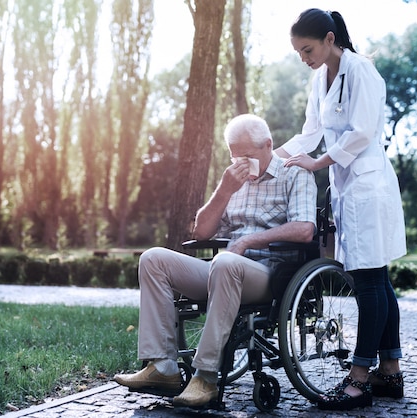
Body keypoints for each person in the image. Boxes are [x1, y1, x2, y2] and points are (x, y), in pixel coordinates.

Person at [114, 114, 317, 407]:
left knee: (225, 263)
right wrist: (223, 191)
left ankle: (205, 377)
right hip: (225, 270)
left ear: (268, 145)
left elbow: (304, 228)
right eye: (236, 156)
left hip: (272, 274)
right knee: (153, 259)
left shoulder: (294, 173)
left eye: (248, 155)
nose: (242, 162)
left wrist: (248, 240)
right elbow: (202, 231)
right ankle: (162, 367)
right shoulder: (232, 181)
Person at [274, 8, 407, 411]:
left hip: (368, 185)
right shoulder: (320, 79)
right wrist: (273, 158)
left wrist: (317, 163)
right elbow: (311, 132)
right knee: (378, 279)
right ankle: (391, 373)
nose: (304, 58)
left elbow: (362, 131)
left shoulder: (361, 71)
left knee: (368, 281)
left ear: (330, 39)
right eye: (298, 52)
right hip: (348, 188)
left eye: (307, 49)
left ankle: (359, 379)